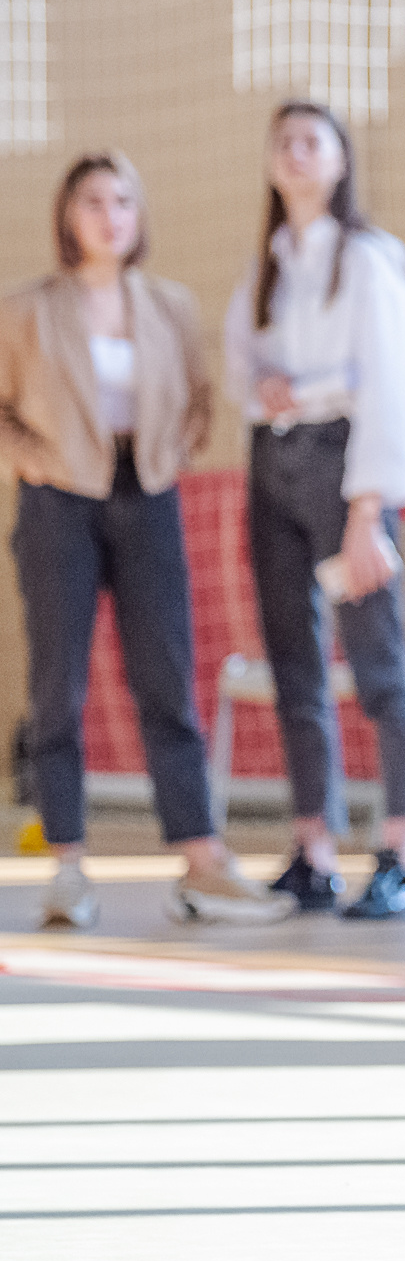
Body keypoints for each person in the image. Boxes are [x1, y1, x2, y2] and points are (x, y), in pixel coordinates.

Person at [0, 151, 293, 926]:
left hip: (147, 496)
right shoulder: (25, 308)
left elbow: (198, 398)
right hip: (57, 501)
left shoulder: (168, 304)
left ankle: (202, 861)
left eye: (122, 199)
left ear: (138, 215)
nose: (108, 214)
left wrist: (174, 451)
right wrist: (35, 462)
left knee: (167, 679)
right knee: (57, 689)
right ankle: (66, 863)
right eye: (92, 200)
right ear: (68, 215)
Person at [223, 101, 405, 921]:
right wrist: (263, 389)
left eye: (314, 140)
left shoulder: (372, 258)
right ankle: (313, 846)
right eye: (284, 142)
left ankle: (398, 852)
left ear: (342, 160)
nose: (298, 153)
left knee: (378, 661)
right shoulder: (269, 264)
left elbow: (391, 385)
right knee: (292, 662)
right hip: (274, 461)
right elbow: (244, 364)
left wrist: (367, 509)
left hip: (348, 466)